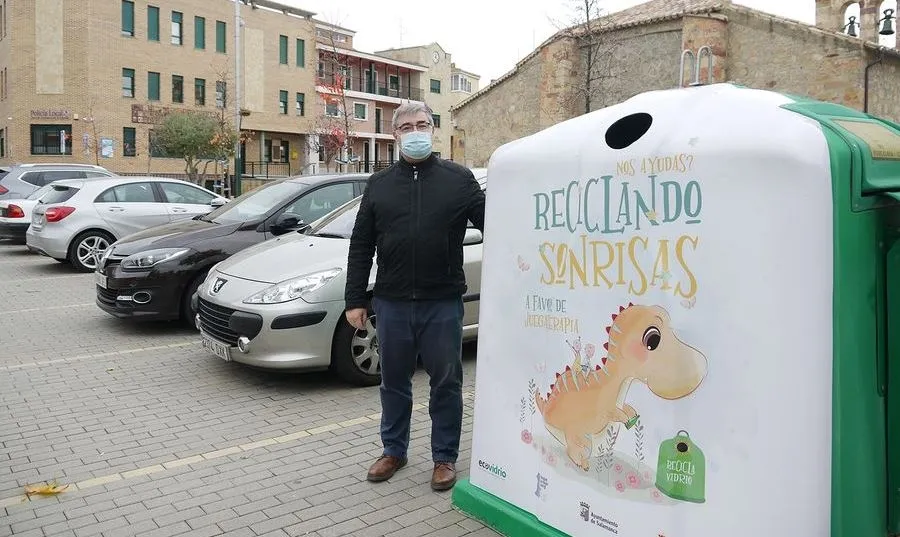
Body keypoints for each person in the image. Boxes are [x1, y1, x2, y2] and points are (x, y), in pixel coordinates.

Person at [344, 101, 486, 491]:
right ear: (396, 135)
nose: (416, 131)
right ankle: (394, 450)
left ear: (433, 129)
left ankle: (444, 458)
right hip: (391, 303)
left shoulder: (459, 179)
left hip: (442, 301)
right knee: (393, 381)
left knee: (446, 382)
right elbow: (361, 244)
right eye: (407, 126)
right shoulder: (380, 184)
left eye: (423, 124)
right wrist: (355, 299)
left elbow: (496, 223)